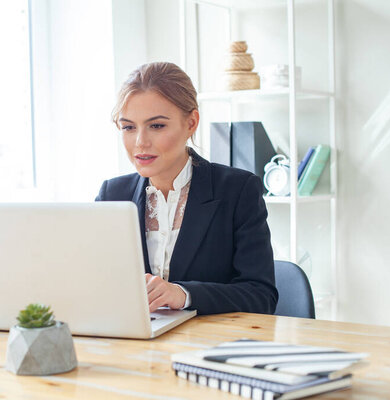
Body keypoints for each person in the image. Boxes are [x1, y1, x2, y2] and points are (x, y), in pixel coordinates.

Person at [96, 62, 278, 315]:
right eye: (128, 127)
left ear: (191, 123)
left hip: (209, 345)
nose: (140, 142)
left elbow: (261, 296)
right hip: (135, 344)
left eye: (156, 125)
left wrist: (183, 294)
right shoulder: (112, 195)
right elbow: (94, 286)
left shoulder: (237, 190)